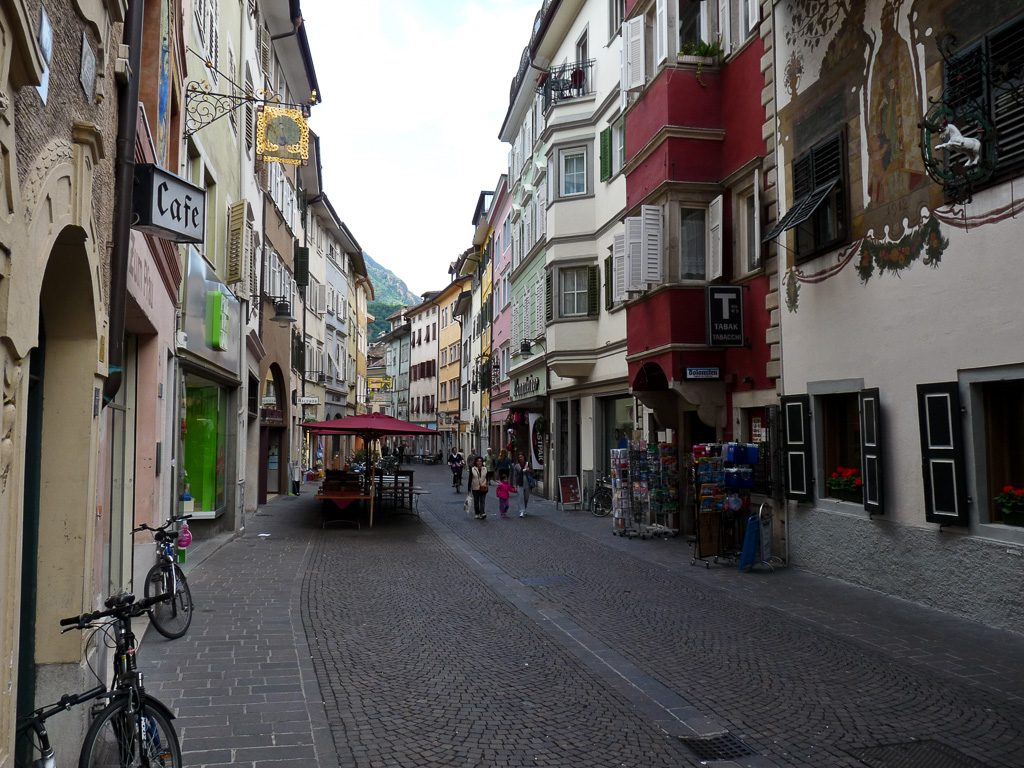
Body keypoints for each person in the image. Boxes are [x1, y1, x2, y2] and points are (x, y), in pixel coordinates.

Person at [511, 452, 535, 517]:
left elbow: (533, 472)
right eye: (519, 457)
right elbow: (515, 476)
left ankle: (524, 509)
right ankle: (522, 511)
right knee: (521, 497)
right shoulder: (517, 466)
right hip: (520, 483)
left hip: (527, 483)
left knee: (526, 498)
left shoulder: (528, 464)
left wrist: (528, 470)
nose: (520, 458)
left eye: (521, 457)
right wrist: (514, 485)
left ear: (524, 457)